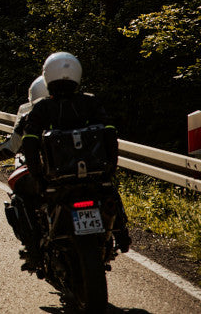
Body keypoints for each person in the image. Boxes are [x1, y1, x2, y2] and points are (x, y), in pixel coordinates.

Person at [19, 52, 131, 269]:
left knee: (29, 202)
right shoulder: (90, 102)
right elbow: (110, 133)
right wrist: (110, 167)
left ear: (48, 76)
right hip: (96, 174)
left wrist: (38, 176)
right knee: (110, 192)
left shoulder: (42, 108)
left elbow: (30, 142)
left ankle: (34, 252)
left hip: (57, 180)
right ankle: (123, 235)